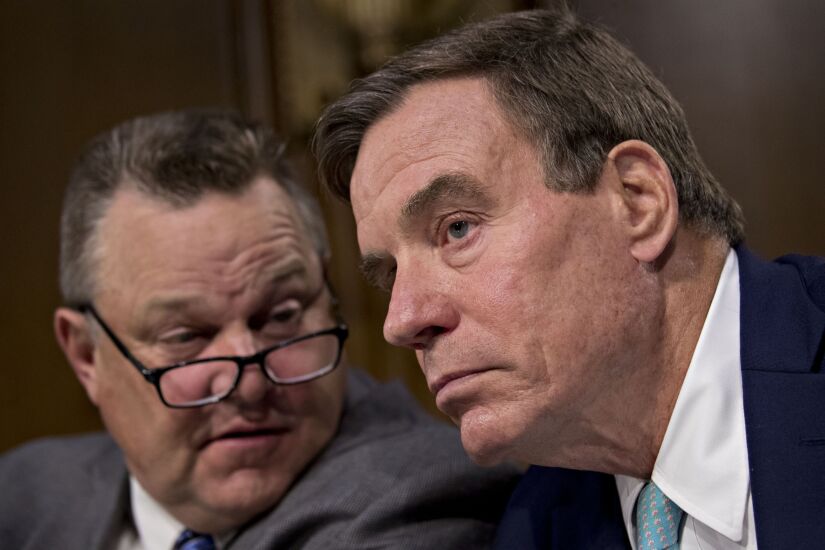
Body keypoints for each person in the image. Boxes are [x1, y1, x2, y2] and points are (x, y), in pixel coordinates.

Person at [313, 8, 825, 550]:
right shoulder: (532, 525)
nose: (402, 321)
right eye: (389, 273)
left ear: (636, 202)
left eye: (457, 229)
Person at [0, 110, 518, 549]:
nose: (250, 383)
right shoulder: (26, 494)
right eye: (186, 337)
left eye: (281, 316)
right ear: (86, 355)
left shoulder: (417, 497)